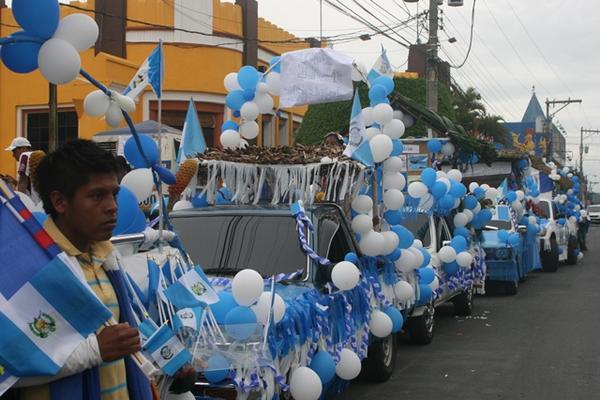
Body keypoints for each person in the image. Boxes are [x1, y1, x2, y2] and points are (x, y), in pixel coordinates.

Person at [10, 139, 153, 400]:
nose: (112, 206)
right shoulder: (33, 268)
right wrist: (95, 350)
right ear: (60, 202)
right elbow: (11, 366)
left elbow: (127, 339)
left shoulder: (107, 258)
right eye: (97, 195)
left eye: (114, 194)